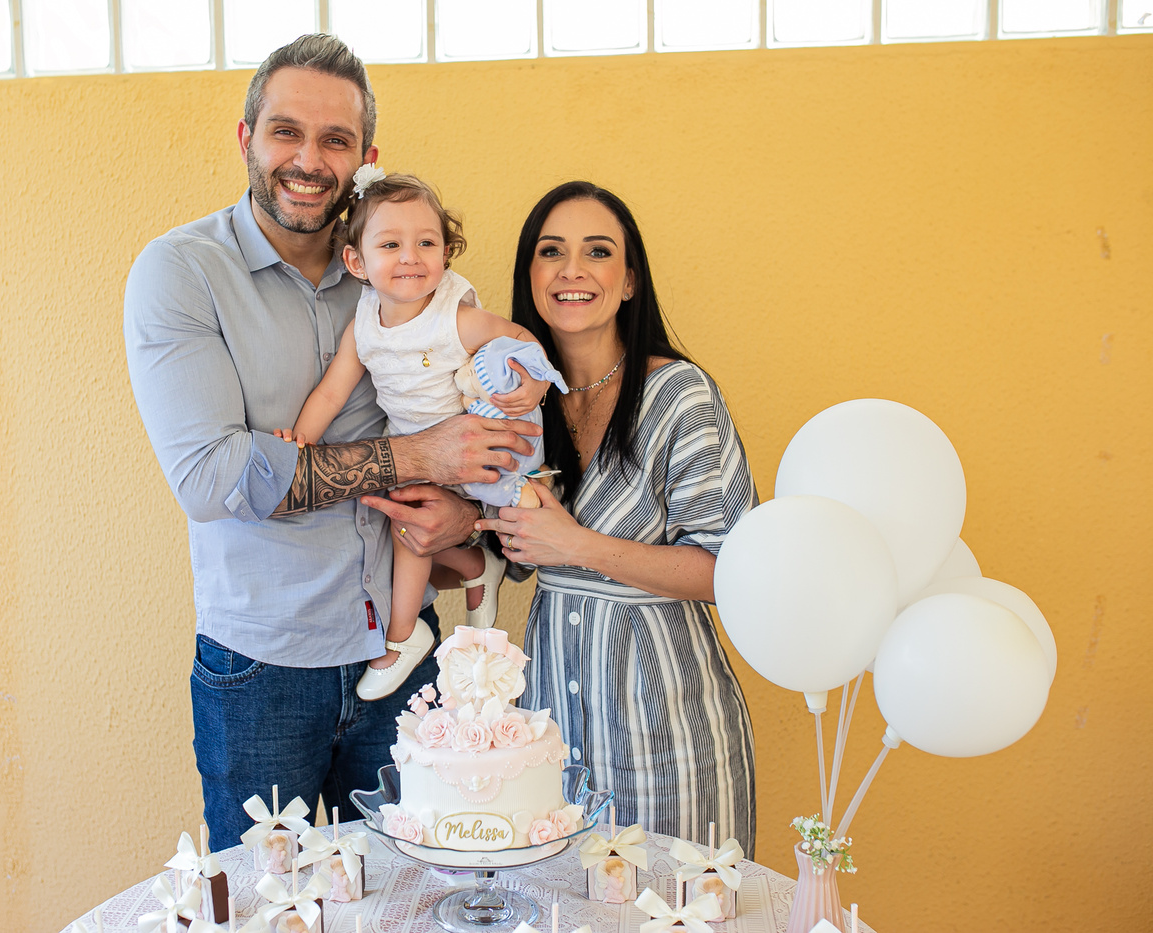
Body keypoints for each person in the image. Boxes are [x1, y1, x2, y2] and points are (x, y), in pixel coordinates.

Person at [123, 34, 538, 850]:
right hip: (261, 673)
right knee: (268, 894)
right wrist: (420, 458)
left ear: (366, 159)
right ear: (247, 138)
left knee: (418, 887)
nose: (309, 160)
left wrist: (465, 511)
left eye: (336, 140)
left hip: (404, 649)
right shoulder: (181, 273)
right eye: (286, 132)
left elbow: (474, 418)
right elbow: (214, 479)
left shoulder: (401, 268)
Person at [478, 181, 759, 856]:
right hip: (551, 735)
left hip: (670, 739)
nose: (572, 270)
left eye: (597, 252)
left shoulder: (679, 395)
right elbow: (511, 555)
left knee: (678, 903)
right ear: (530, 277)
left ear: (629, 281)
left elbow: (732, 572)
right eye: (552, 252)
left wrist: (575, 543)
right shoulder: (516, 399)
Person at [279, 169, 566, 701]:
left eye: (426, 243)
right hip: (417, 454)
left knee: (410, 529)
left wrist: (534, 381)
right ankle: (477, 566)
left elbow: (520, 338)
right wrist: (299, 443)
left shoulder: (453, 318)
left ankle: (402, 637)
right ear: (357, 262)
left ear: (446, 253)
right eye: (391, 245)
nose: (410, 257)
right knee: (399, 527)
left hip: (471, 450)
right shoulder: (365, 322)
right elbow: (332, 392)